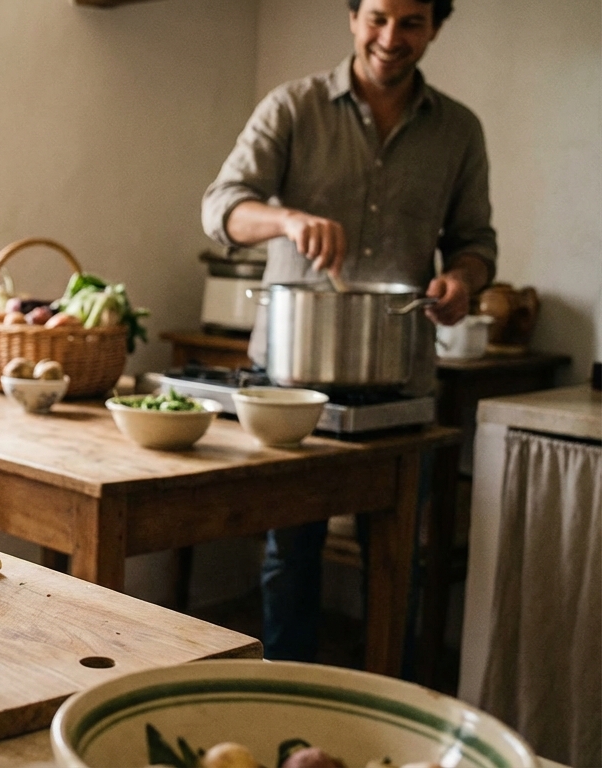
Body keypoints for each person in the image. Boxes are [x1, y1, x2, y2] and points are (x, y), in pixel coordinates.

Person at [201, 0, 496, 662]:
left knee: (398, 562)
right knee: (291, 554)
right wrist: (285, 221)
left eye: (412, 22)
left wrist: (463, 283)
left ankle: (390, 714)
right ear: (353, 16)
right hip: (292, 379)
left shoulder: (459, 130)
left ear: (436, 27)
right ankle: (287, 714)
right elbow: (220, 208)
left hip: (402, 382)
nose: (392, 38)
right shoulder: (291, 106)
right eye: (379, 17)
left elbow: (475, 243)